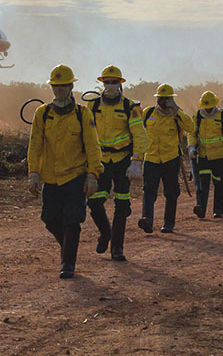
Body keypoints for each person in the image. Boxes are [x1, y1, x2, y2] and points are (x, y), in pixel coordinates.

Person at [27, 64, 102, 279]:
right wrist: (33, 173)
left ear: (71, 86)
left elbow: (92, 146)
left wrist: (92, 174)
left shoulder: (82, 114)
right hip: (50, 178)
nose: (58, 90)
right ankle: (67, 248)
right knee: (50, 220)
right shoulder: (42, 114)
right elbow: (35, 146)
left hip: (75, 176)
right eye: (55, 86)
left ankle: (68, 262)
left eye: (62, 86)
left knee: (72, 220)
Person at [86, 65, 148, 261]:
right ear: (102, 84)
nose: (110, 86)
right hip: (100, 162)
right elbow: (86, 136)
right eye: (107, 82)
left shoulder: (130, 107)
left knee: (122, 206)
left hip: (122, 162)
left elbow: (140, 135)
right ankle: (106, 234)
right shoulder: (93, 107)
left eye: (114, 82)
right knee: (94, 202)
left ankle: (117, 249)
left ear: (121, 84)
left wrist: (136, 161)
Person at [138, 84, 194, 233]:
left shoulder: (178, 115)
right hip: (151, 158)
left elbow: (191, 128)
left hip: (171, 159)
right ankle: (147, 219)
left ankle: (168, 223)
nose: (163, 102)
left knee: (171, 192)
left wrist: (176, 109)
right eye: (160, 99)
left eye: (166, 99)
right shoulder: (149, 113)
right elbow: (138, 131)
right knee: (148, 190)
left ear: (172, 99)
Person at [188, 91, 223, 219]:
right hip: (204, 157)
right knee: (203, 184)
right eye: (206, 107)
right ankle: (201, 210)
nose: (208, 110)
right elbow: (192, 134)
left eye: (209, 107)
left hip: (220, 157)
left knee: (219, 184)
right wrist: (191, 147)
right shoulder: (198, 117)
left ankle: (218, 211)